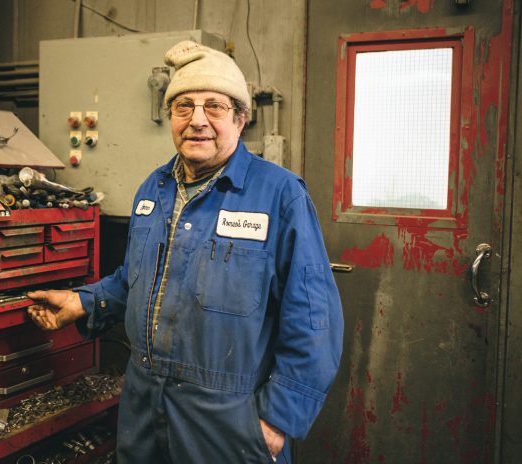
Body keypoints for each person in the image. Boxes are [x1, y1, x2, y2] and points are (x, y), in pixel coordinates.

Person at [28, 40, 343, 464]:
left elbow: (314, 320)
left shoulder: (280, 195)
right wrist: (83, 301)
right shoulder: (153, 189)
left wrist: (277, 421)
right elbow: (137, 279)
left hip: (227, 420)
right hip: (144, 406)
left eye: (214, 106)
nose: (197, 120)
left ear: (241, 118)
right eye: (183, 106)